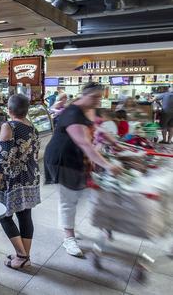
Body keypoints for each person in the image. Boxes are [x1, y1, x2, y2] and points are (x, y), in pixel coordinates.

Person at [44, 82, 122, 257]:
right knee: (69, 198)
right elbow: (85, 144)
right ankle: (68, 238)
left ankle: (82, 225)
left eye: (100, 97)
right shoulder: (72, 113)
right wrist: (108, 165)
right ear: (83, 95)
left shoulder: (89, 108)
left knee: (86, 193)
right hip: (62, 159)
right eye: (94, 97)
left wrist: (113, 142)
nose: (97, 101)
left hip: (79, 158)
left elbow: (96, 129)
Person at [0, 94, 40, 270]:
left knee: (4, 216)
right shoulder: (32, 126)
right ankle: (24, 257)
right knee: (24, 215)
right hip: (30, 176)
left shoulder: (9, 126)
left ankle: (21, 255)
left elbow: (2, 159)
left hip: (13, 179)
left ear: (9, 109)